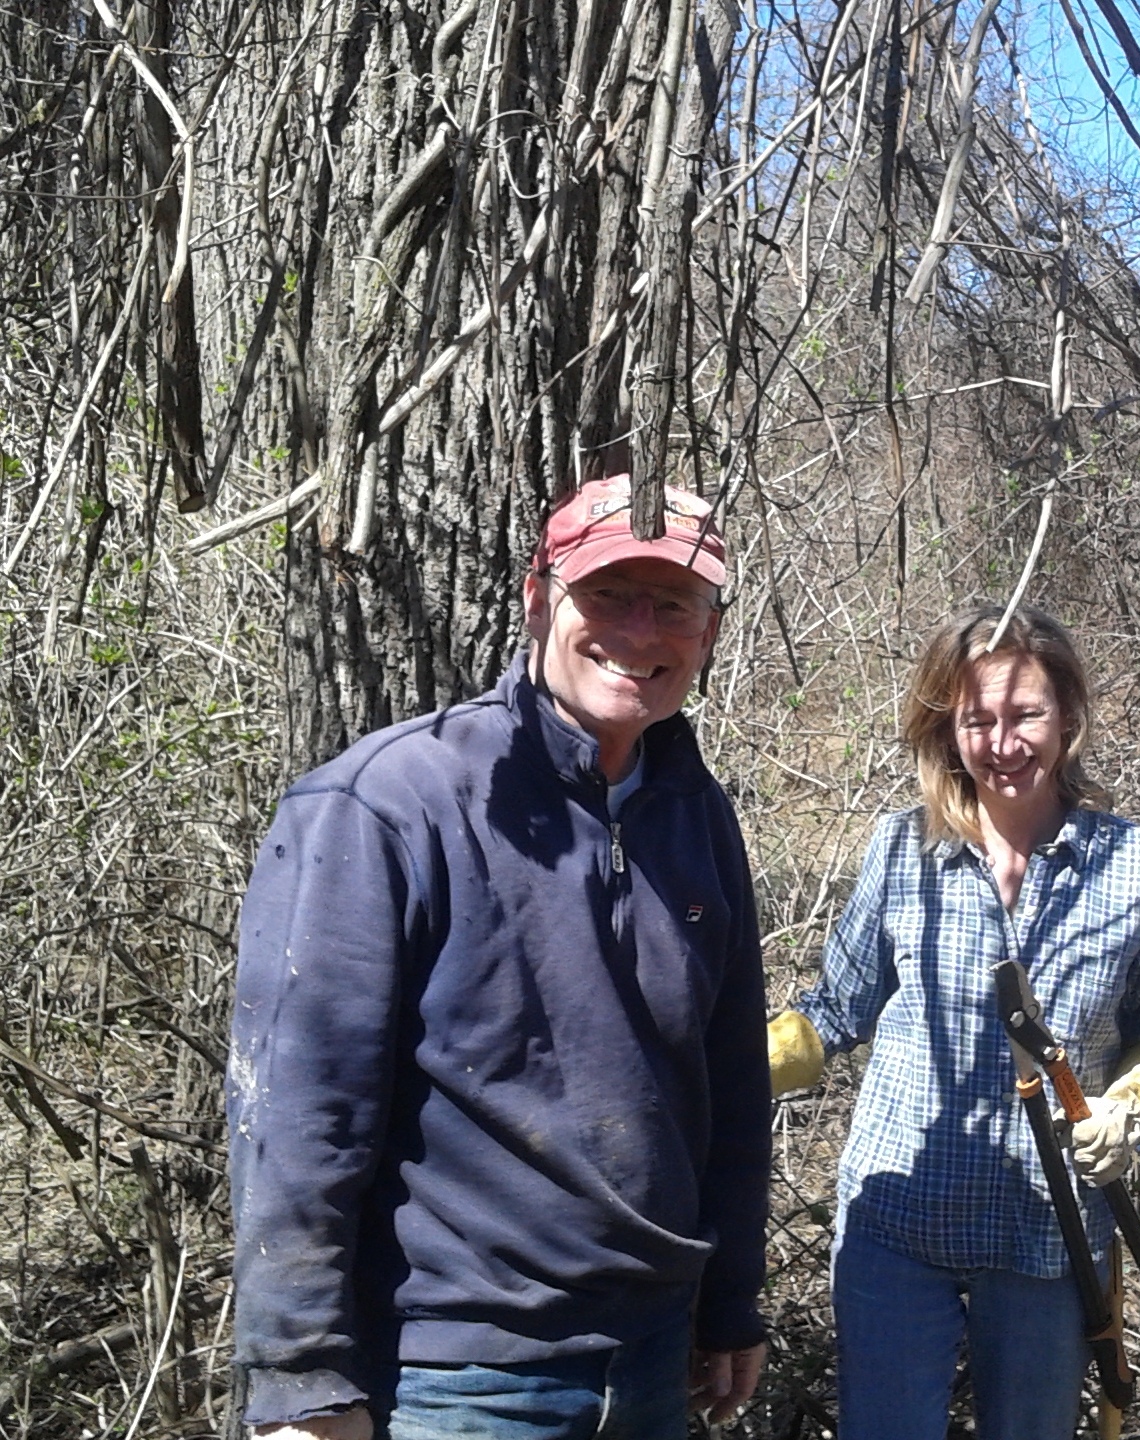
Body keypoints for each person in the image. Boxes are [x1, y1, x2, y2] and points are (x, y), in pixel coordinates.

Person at [226, 476, 771, 1440]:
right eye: (606, 594)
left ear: (712, 630)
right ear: (536, 596)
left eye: (675, 602)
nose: (640, 631)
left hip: (651, 1359)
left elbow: (726, 1081)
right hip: (457, 1375)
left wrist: (729, 1297)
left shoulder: (696, 811)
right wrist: (302, 1379)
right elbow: (304, 1106)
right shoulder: (390, 802)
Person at [763, 602, 1140, 1440]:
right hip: (898, 1222)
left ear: (1068, 717)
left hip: (1050, 1231)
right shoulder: (902, 850)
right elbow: (832, 1014)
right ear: (947, 728)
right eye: (979, 720)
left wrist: (1133, 1107)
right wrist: (726, 1064)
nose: (1004, 744)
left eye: (1026, 714)